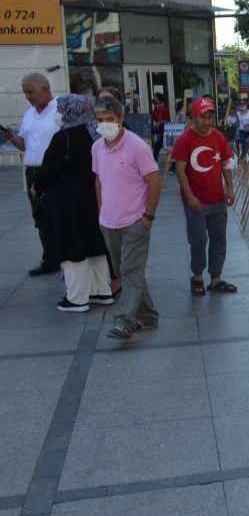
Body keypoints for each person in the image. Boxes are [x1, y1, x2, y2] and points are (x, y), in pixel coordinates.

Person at [31, 95, 113, 312]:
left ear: (70, 111)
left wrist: (36, 187)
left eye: (60, 109)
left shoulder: (64, 137)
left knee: (71, 245)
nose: (58, 113)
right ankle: (101, 291)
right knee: (96, 244)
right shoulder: (98, 132)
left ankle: (77, 298)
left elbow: (48, 170)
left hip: (68, 201)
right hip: (96, 197)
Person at [91, 95, 162, 340]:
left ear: (121, 118)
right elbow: (99, 180)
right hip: (109, 222)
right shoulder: (97, 147)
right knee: (127, 271)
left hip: (135, 222)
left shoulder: (137, 147)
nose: (104, 124)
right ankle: (149, 315)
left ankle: (125, 320)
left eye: (109, 119)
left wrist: (148, 216)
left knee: (130, 271)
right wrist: (102, 212)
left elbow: (155, 181)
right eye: (100, 120)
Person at [170, 97, 238, 297]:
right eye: (203, 117)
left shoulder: (218, 137)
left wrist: (230, 188)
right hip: (196, 202)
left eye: (210, 117)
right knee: (198, 240)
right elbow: (180, 171)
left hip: (216, 198)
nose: (207, 122)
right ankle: (197, 276)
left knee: (219, 239)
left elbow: (226, 163)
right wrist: (189, 196)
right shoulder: (185, 140)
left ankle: (215, 278)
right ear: (193, 117)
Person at [2, 73, 61, 276]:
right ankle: (50, 260)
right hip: (32, 172)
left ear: (45, 89)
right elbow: (24, 145)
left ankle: (68, 260)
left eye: (31, 92)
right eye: (25, 92)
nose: (28, 96)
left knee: (59, 216)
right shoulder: (29, 114)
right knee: (40, 218)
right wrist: (11, 137)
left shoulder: (59, 110)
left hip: (54, 172)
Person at [151, 94, 170, 162]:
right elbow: (152, 117)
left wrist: (159, 122)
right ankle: (154, 158)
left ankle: (154, 159)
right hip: (159, 129)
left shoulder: (165, 109)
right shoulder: (156, 109)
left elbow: (167, 120)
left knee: (159, 144)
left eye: (156, 102)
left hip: (164, 130)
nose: (156, 104)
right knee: (157, 144)